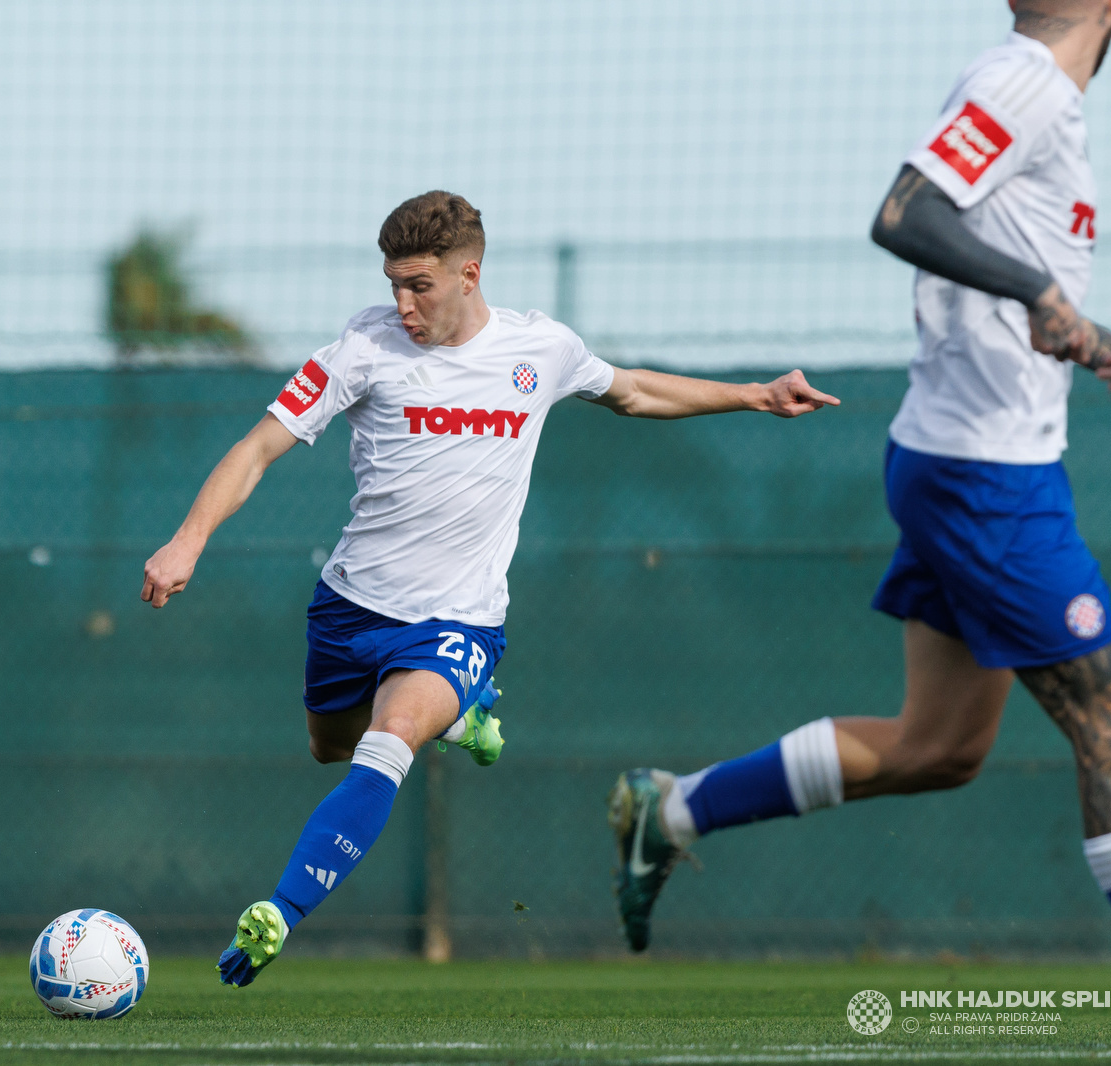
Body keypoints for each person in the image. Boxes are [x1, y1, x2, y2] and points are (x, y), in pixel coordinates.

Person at [141, 190, 838, 986]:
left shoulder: (540, 349)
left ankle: (282, 910)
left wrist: (754, 395)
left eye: (419, 286)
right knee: (329, 745)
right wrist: (188, 539)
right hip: (351, 607)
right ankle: (461, 717)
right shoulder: (359, 351)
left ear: (468, 274)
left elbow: (634, 391)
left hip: (458, 621)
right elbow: (259, 447)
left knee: (391, 735)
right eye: (393, 283)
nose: (401, 302)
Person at [610, 0, 1111, 997]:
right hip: (986, 478)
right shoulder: (1024, 80)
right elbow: (907, 212)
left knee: (939, 746)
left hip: (967, 460)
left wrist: (1099, 343)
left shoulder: (1040, 98)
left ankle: (673, 810)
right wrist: (1039, 294)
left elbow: (986, 280)